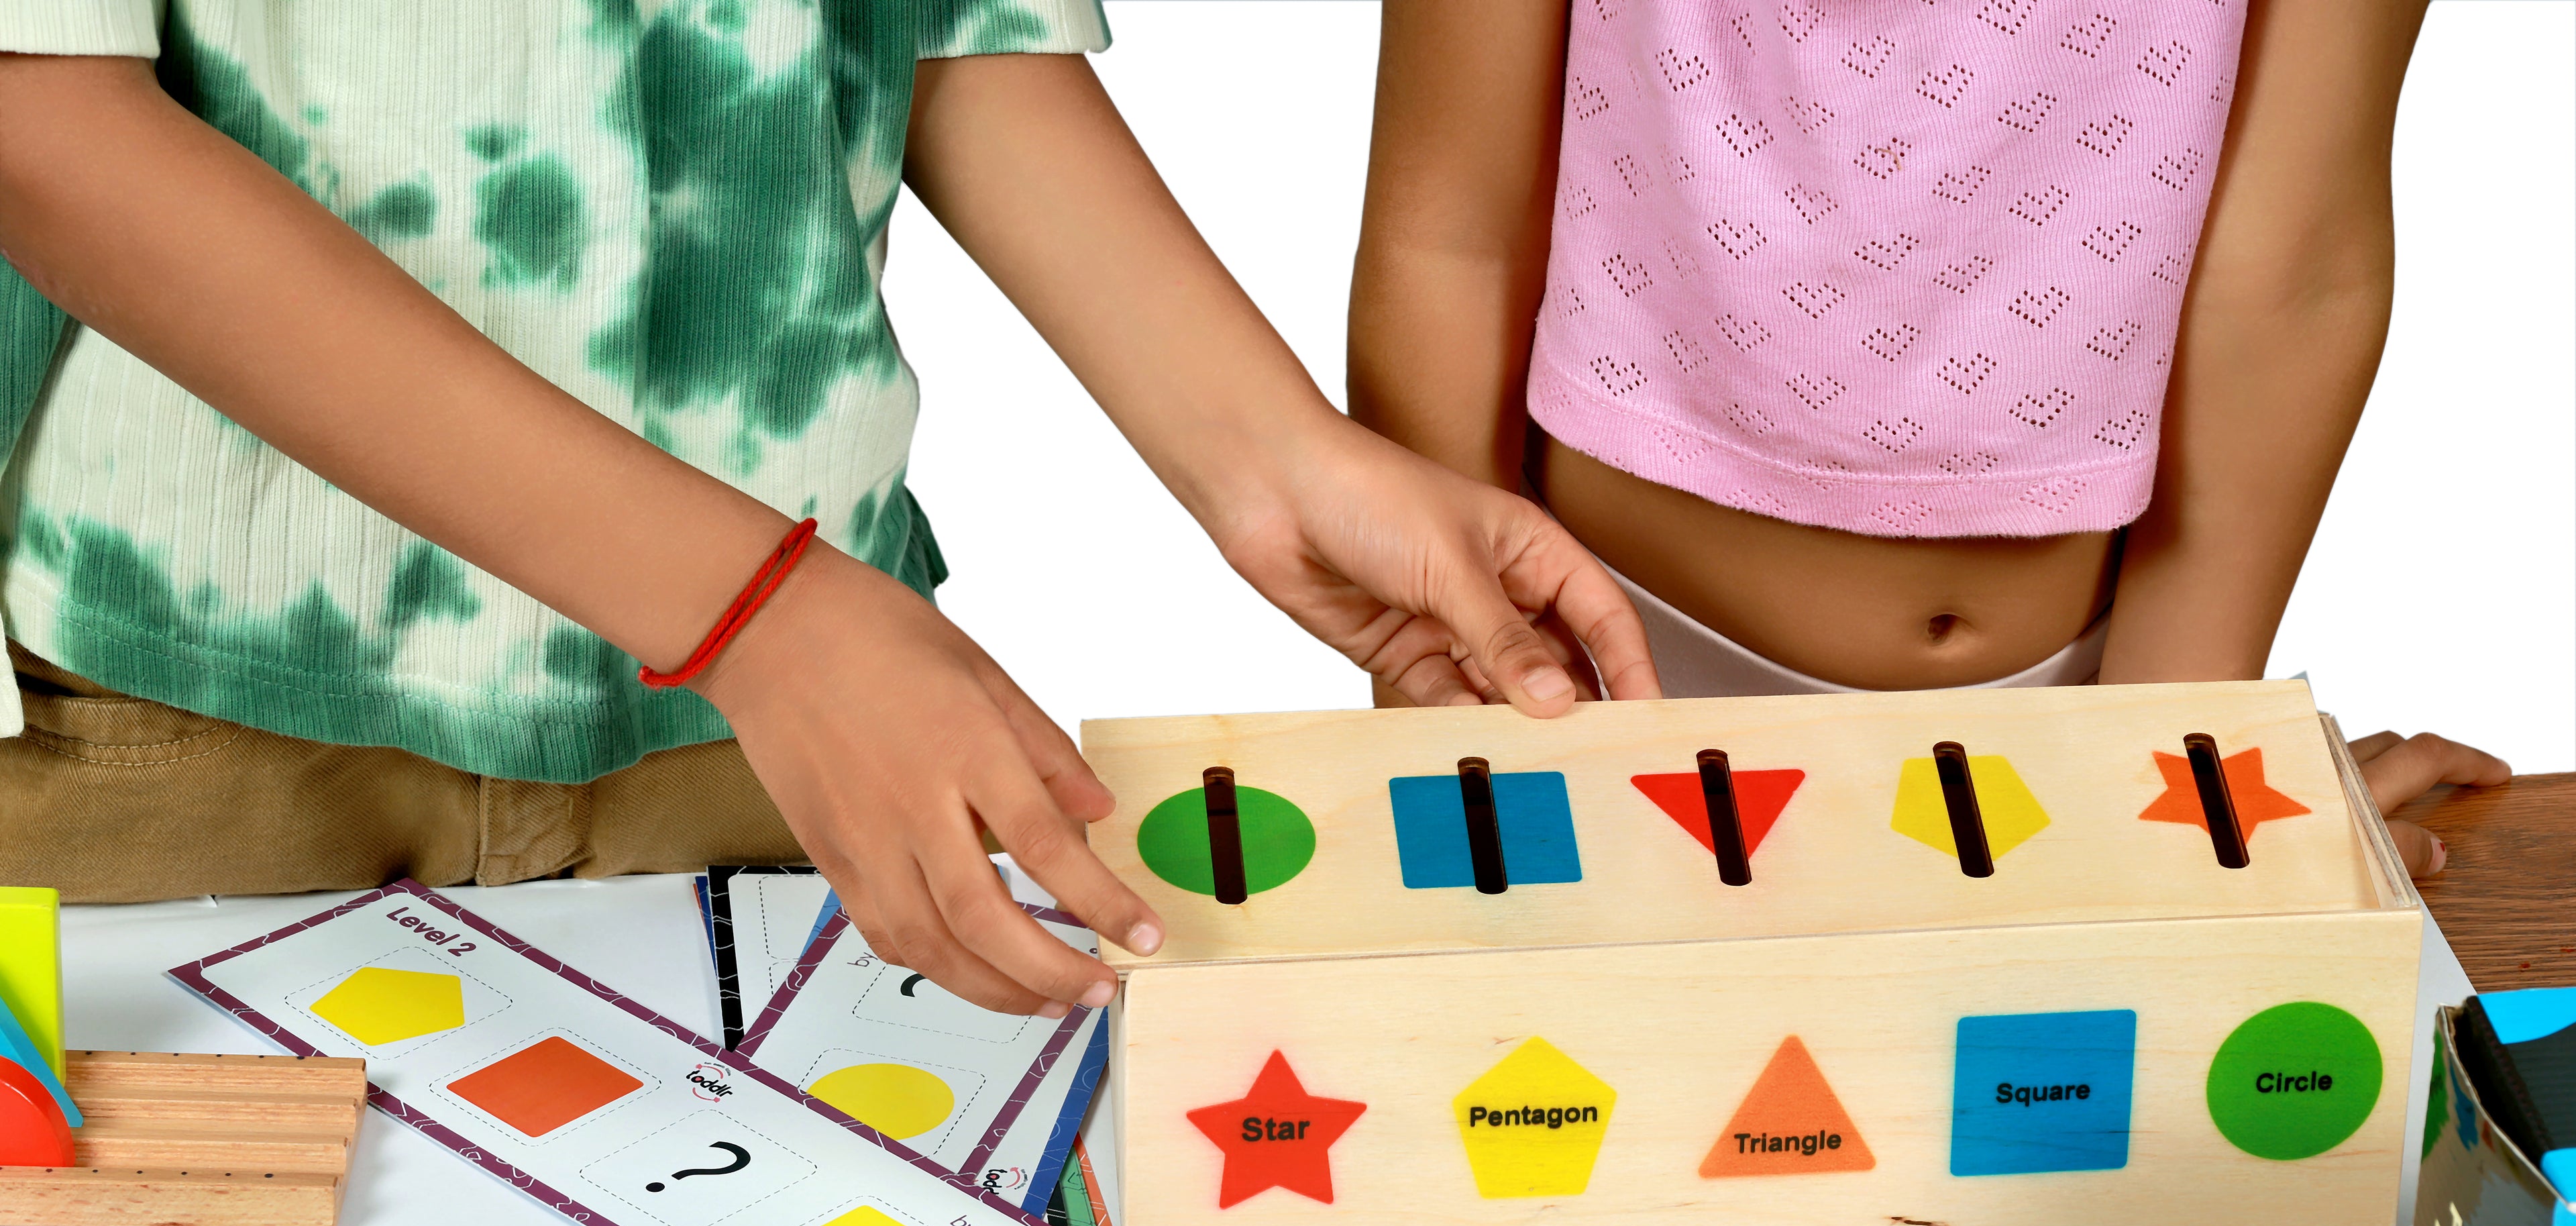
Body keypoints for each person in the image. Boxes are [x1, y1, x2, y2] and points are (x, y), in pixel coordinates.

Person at [0, 3, 1661, 1017]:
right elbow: (44, 119)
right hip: (214, 710)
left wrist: (1278, 460)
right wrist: (759, 611)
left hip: (784, 737)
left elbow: (939, 27)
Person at [1348, 0, 2508, 874]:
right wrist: (1462, 782)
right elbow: (1448, 235)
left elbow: (2291, 269)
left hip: (2089, 710)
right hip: (1586, 681)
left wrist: (2168, 781)